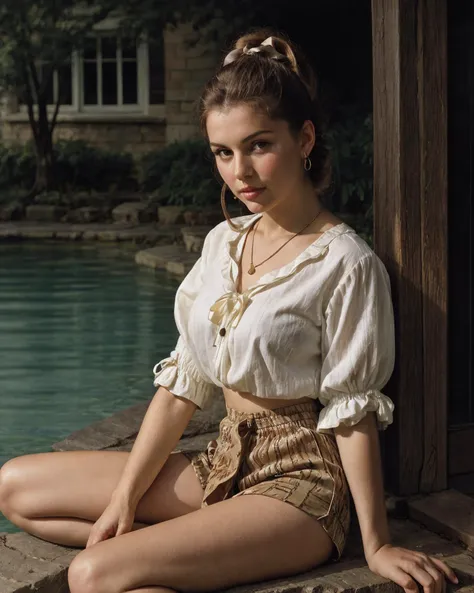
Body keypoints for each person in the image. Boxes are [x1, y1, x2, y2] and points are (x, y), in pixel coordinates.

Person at [0, 30, 458, 593]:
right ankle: (210, 542)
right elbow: (182, 385)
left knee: (93, 573)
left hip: (302, 486)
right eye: (223, 152)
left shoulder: (344, 262)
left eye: (259, 145)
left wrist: (377, 543)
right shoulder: (224, 242)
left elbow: (352, 411)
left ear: (305, 138)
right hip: (224, 459)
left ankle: (211, 545)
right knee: (15, 488)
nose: (240, 171)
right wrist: (124, 500)